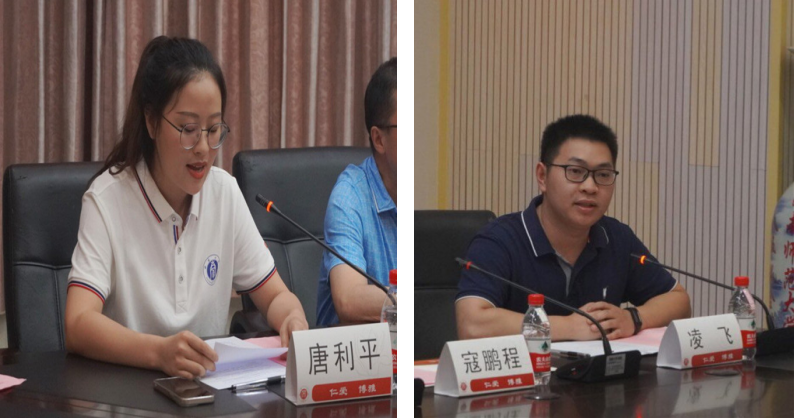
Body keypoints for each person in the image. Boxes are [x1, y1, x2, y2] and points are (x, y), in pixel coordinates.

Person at [65, 36, 308, 380]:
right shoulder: (106, 200)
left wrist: (291, 317)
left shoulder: (224, 192)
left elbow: (276, 296)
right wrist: (159, 353)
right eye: (189, 129)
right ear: (151, 121)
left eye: (213, 129)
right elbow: (77, 323)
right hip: (128, 392)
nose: (204, 148)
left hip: (208, 391)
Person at [456, 115, 691, 341]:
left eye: (603, 174)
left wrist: (634, 318)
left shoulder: (616, 238)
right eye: (576, 172)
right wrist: (568, 327)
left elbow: (678, 301)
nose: (590, 186)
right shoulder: (500, 240)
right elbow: (472, 324)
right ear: (542, 176)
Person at [316, 57, 397, 326]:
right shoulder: (349, 197)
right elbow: (349, 300)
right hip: (356, 353)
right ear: (378, 139)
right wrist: (414, 301)